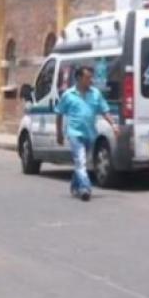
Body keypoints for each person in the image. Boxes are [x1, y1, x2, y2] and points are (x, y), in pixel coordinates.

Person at [55, 65, 115, 201]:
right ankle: (85, 189)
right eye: (87, 77)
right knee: (81, 161)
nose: (91, 80)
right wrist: (59, 133)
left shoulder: (95, 94)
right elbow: (59, 113)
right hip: (74, 133)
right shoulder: (68, 95)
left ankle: (75, 185)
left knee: (81, 162)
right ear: (79, 78)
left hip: (90, 134)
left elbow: (105, 111)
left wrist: (114, 125)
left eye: (91, 77)